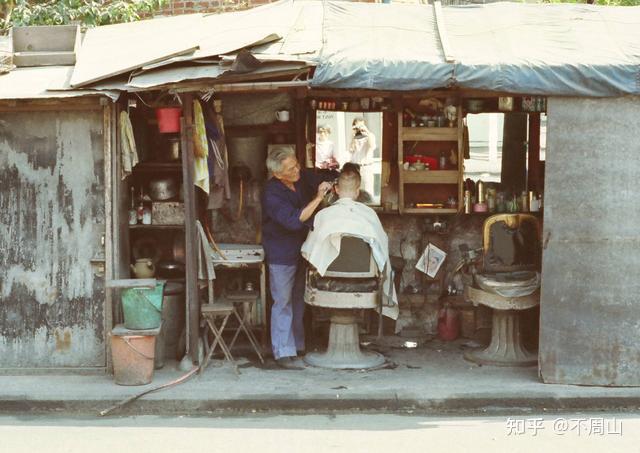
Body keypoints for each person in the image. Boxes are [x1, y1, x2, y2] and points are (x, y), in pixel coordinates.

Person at [262, 146, 337, 370]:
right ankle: (283, 352)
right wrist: (318, 198)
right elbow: (295, 220)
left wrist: (328, 181)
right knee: (282, 301)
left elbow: (324, 176)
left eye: (296, 164)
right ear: (278, 174)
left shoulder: (301, 176)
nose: (297, 169)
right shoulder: (271, 193)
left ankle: (297, 346)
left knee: (297, 300)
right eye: (291, 168)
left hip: (302, 249)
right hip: (281, 252)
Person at [301, 168, 399, 320]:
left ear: (336, 189)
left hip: (327, 279)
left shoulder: (323, 216)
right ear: (357, 191)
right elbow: (381, 249)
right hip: (364, 281)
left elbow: (308, 251)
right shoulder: (369, 216)